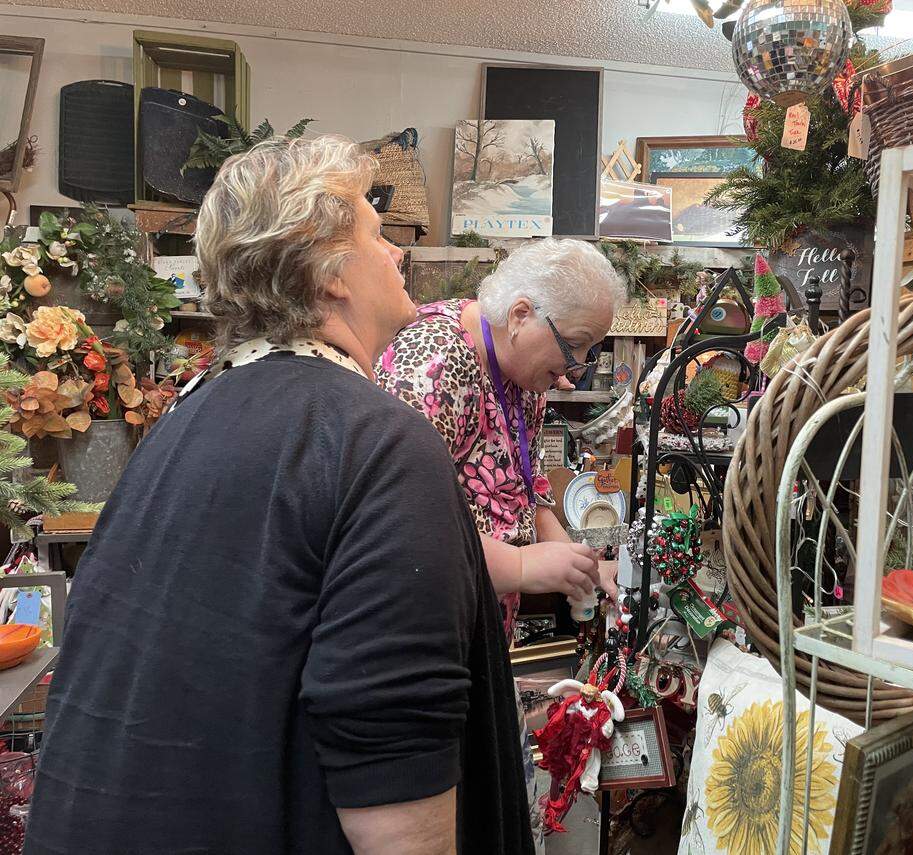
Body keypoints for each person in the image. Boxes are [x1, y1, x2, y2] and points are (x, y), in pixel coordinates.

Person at [25, 136, 533, 855]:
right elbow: (395, 793)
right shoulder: (378, 444)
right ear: (329, 271)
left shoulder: (183, 421)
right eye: (376, 234)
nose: (397, 254)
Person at [377, 239, 625, 847]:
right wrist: (518, 564)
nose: (575, 371)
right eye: (575, 346)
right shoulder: (437, 365)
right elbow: (398, 519)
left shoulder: (519, 374)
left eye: (590, 352)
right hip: (422, 645)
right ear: (520, 315)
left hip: (480, 636)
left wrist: (575, 559)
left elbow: (527, 484)